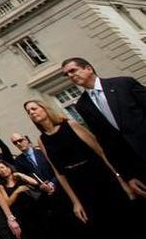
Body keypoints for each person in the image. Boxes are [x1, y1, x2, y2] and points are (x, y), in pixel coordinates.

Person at [25, 98, 139, 237]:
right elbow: (59, 173)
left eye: (34, 108)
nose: (31, 112)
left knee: (126, 220)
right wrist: (75, 202)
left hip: (102, 177)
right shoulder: (41, 140)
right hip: (80, 186)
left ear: (44, 108)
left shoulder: (70, 125)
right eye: (28, 112)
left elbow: (101, 152)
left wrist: (121, 179)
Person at [61, 57, 146, 198]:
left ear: (88, 68)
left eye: (73, 70)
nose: (70, 76)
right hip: (137, 167)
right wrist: (127, 176)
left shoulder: (123, 84)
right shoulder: (82, 105)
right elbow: (106, 142)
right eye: (67, 74)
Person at [0, 161, 47, 239]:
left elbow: (35, 183)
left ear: (8, 167)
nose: (1, 170)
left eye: (2, 167)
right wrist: (18, 191)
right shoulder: (2, 186)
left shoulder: (20, 177)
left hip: (36, 209)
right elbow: (7, 203)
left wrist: (20, 174)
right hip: (22, 216)